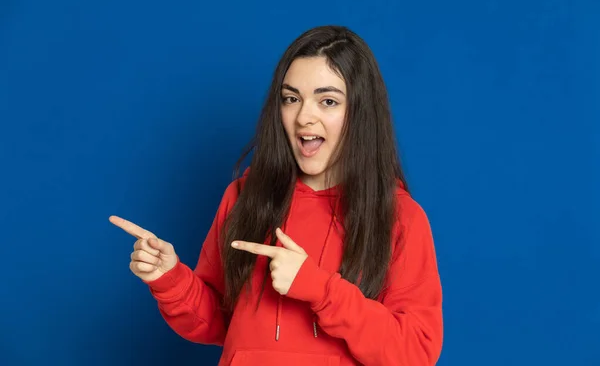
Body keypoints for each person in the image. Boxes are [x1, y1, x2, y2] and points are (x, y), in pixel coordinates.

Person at [109, 25, 443, 365]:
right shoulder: (244, 196)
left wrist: (320, 289)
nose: (303, 117)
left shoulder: (399, 215)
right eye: (291, 98)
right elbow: (219, 322)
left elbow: (415, 353)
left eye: (327, 101)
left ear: (360, 112)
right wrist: (170, 279)